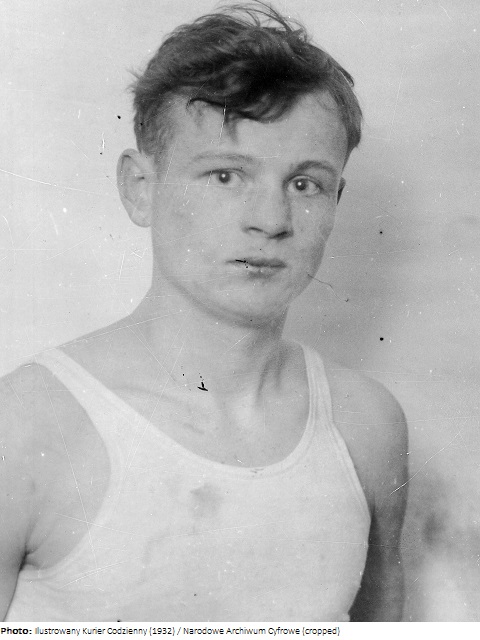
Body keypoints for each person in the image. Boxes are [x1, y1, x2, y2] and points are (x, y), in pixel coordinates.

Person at [0, 1, 408, 622]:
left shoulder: (367, 425)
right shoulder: (25, 429)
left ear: (336, 201)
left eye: (305, 184)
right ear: (140, 188)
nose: (271, 220)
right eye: (225, 176)